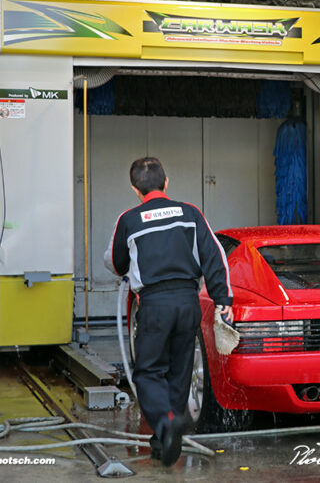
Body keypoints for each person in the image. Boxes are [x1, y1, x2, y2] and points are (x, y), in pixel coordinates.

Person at [104, 157, 232, 467]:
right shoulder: (190, 214)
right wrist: (222, 299)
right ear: (167, 181)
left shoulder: (129, 220)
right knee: (179, 372)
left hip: (155, 305)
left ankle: (166, 421)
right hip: (188, 302)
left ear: (135, 189)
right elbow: (214, 256)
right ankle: (165, 442)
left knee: (148, 373)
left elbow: (116, 262)